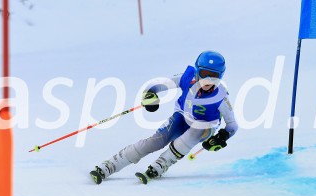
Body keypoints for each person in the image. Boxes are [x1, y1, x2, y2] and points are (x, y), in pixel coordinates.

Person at [90, 51, 238, 184]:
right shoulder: (187, 77)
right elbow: (157, 84)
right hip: (182, 116)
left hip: (206, 127)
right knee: (156, 141)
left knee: (197, 130)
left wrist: (222, 137)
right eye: (205, 73)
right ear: (198, 71)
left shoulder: (221, 96)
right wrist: (150, 95)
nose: (208, 80)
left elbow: (232, 126)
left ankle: (163, 163)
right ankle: (110, 165)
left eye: (214, 76)